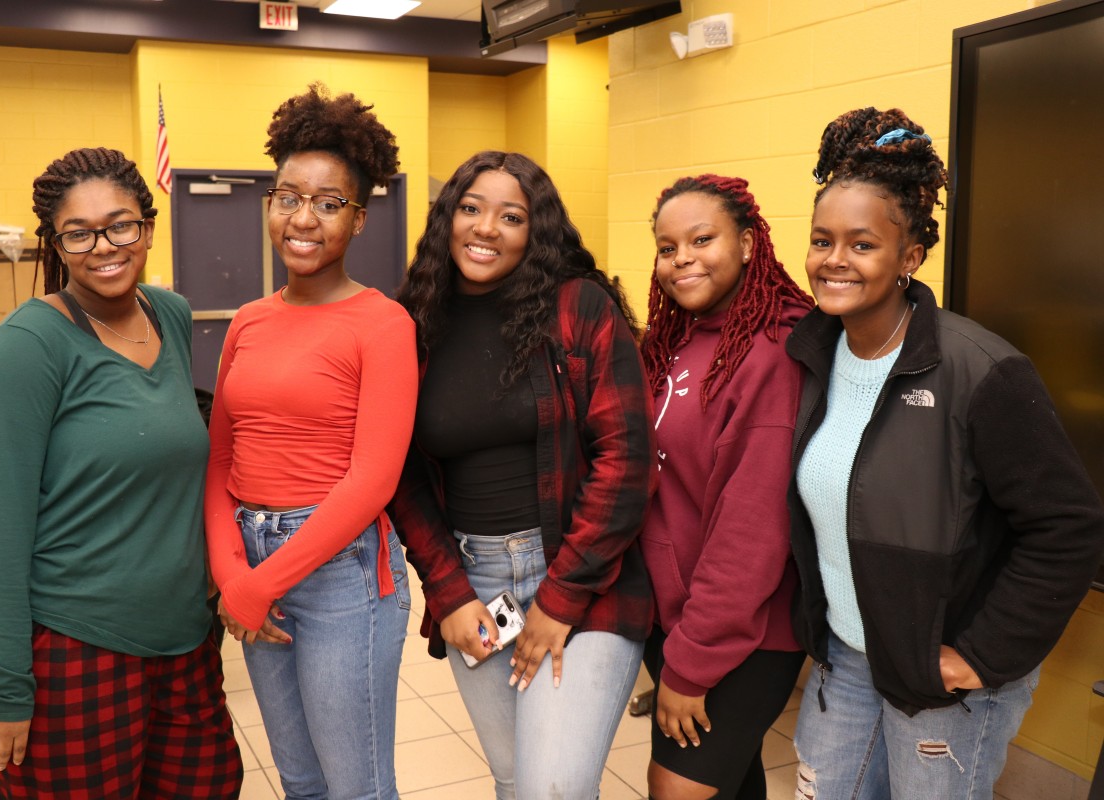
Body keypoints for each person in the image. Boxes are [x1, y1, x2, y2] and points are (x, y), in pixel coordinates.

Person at [787, 106, 1104, 799]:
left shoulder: (980, 369)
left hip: (942, 681)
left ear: (910, 256)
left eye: (862, 244)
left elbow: (1069, 527)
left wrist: (978, 657)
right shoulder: (808, 353)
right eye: (821, 240)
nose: (834, 259)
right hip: (847, 658)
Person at [0, 146, 242, 799]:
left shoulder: (168, 313)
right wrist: (1, 684)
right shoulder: (28, 348)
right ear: (54, 244)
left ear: (147, 224)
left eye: (121, 224)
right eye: (78, 233)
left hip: (183, 641)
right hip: (70, 646)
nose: (104, 246)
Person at [391, 150, 657, 800]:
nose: (486, 228)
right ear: (447, 218)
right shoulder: (415, 323)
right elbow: (402, 477)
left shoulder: (577, 308)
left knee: (551, 789)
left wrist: (560, 598)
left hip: (587, 575)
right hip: (476, 585)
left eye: (511, 216)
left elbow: (626, 460)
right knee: (515, 783)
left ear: (535, 232)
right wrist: (449, 592)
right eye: (472, 209)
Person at [204, 83, 416, 800]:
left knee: (355, 788)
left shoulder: (382, 324)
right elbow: (220, 462)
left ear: (358, 219)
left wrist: (257, 585)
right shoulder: (248, 321)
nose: (303, 218)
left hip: (341, 574)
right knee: (300, 782)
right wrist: (235, 574)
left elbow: (372, 482)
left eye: (329, 203)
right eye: (288, 195)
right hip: (252, 553)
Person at [639, 174, 812, 800]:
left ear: (746, 243)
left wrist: (691, 663)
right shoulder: (676, 338)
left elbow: (751, 529)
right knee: (732, 783)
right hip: (676, 615)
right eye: (666, 247)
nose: (681, 258)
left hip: (742, 631)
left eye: (701, 239)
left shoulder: (772, 352)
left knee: (676, 787)